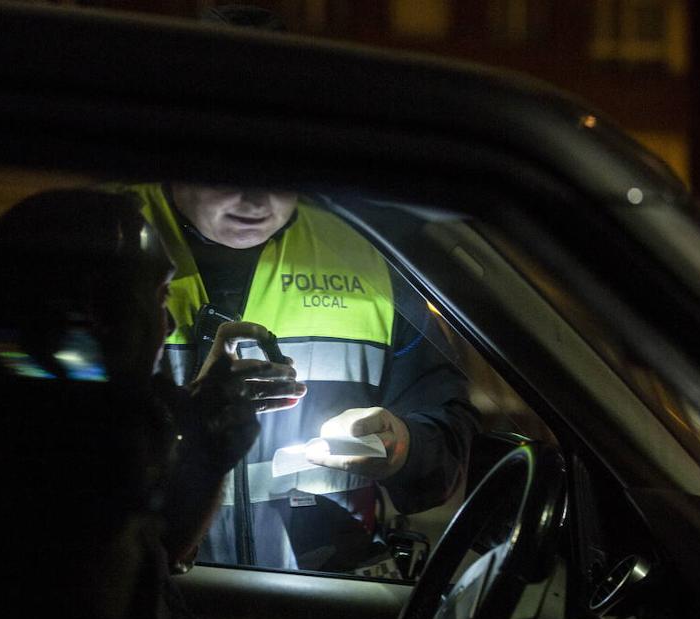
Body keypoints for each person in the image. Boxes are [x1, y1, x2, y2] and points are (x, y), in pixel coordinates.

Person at [0, 188, 300, 619]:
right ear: (90, 311)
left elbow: (155, 563)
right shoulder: (58, 439)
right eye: (156, 295)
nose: (169, 318)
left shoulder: (38, 413)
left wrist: (206, 440)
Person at [126, 180, 481, 573]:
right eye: (230, 171)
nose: (257, 198)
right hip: (147, 591)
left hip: (328, 598)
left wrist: (403, 447)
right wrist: (187, 431)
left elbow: (450, 439)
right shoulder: (102, 237)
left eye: (282, 175)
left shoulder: (365, 252)